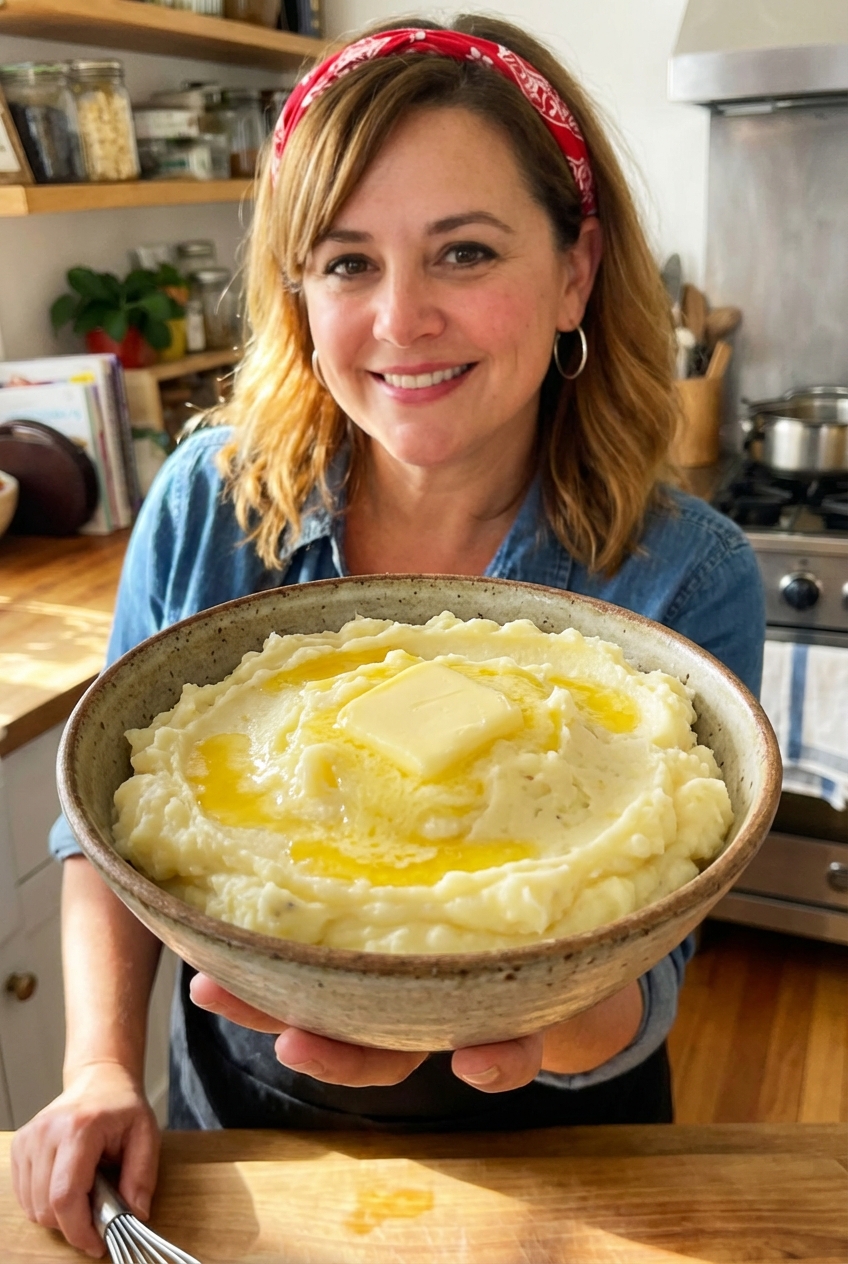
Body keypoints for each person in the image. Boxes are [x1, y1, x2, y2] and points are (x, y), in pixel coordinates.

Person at [12, 14, 764, 1258]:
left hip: (568, 1156)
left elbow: (655, 962)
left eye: (463, 251)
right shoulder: (208, 500)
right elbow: (99, 824)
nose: (399, 318)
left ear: (574, 271)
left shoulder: (687, 571)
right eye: (347, 262)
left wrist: (516, 1020)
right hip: (240, 1135)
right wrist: (96, 1068)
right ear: (298, 289)